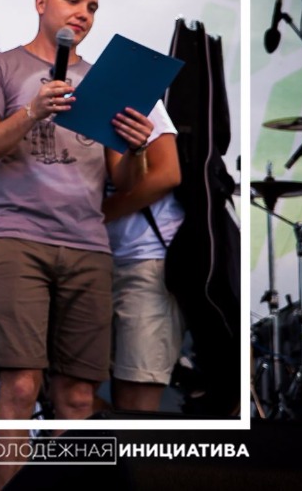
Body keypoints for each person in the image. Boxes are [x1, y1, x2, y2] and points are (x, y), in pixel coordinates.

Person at [0, 0, 154, 491]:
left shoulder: (105, 80)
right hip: (18, 237)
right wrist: (31, 111)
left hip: (89, 244)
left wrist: (137, 148)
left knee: (78, 397)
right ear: (40, 3)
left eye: (92, 6)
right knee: (21, 387)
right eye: (72, 0)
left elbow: (123, 180)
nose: (84, 13)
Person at [103, 102, 184, 412]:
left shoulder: (129, 93)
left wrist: (96, 215)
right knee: (73, 390)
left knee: (136, 398)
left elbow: (167, 174)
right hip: (93, 261)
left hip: (145, 259)